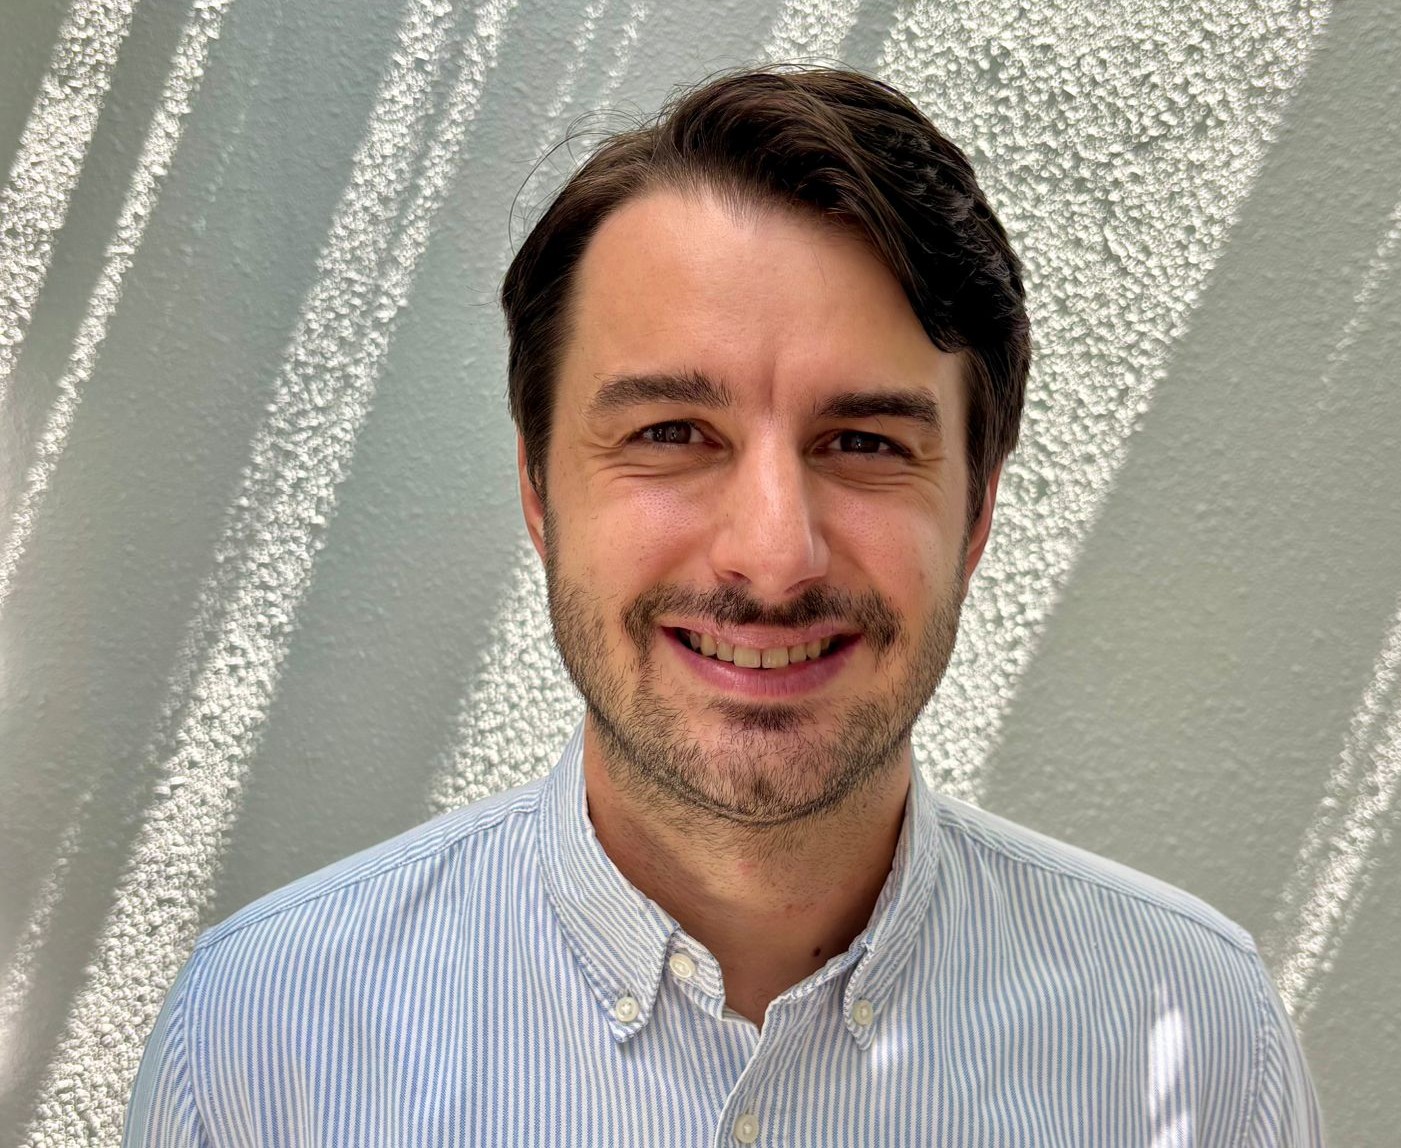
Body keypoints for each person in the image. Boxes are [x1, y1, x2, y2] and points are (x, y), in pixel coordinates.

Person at [124, 65, 1322, 1145]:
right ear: (538, 489)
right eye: (671, 433)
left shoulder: (1198, 1044)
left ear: (974, 513)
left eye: (862, 441)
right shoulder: (263, 1045)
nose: (772, 554)